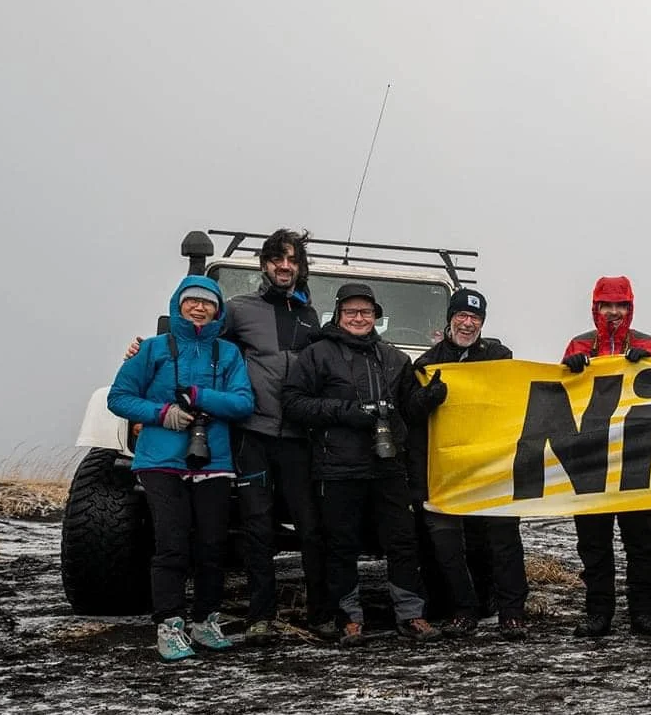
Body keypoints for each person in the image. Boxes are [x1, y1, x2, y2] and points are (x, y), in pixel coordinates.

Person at [106, 276, 256, 660]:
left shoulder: (227, 354)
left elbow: (242, 403)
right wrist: (162, 413)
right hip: (161, 461)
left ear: (219, 310)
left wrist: (198, 397)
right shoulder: (152, 349)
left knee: (212, 545)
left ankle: (206, 620)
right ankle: (169, 624)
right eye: (192, 301)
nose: (200, 308)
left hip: (214, 461)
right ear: (178, 305)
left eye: (208, 303)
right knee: (171, 543)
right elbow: (119, 397)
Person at [282, 282, 433, 645]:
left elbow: (409, 411)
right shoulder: (317, 354)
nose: (359, 318)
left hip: (388, 466)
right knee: (341, 545)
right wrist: (346, 413)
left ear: (377, 317)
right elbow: (292, 402)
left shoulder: (395, 358)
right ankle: (349, 618)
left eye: (366, 312)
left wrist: (429, 398)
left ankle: (410, 615)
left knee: (402, 542)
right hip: (338, 467)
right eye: (351, 312)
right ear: (338, 314)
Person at [219, 229, 327, 637]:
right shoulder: (238, 310)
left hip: (300, 438)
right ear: (264, 264)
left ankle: (320, 614)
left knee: (311, 528)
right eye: (277, 259)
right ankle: (260, 616)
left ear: (300, 268)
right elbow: (205, 348)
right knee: (257, 526)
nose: (285, 266)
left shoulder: (310, 316)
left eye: (293, 260)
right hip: (253, 435)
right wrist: (147, 349)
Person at [404, 287, 530, 634]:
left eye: (475, 317)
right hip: (447, 472)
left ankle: (512, 612)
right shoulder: (427, 363)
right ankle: (464, 610)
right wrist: (426, 400)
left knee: (503, 539)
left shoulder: (499, 355)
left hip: (492, 467)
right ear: (450, 318)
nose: (468, 323)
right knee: (448, 544)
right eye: (462, 315)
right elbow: (411, 416)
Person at [560, 276, 651, 637]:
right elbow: (558, 397)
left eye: (620, 305)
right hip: (590, 460)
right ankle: (598, 613)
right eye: (607, 304)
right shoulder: (578, 344)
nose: (614, 311)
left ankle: (644, 612)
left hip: (635, 458)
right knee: (593, 544)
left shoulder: (647, 343)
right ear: (596, 308)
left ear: (630, 307)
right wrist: (569, 371)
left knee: (641, 542)